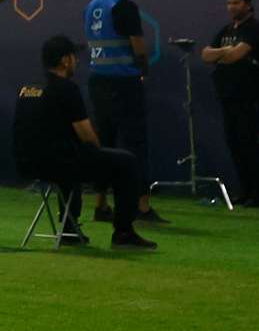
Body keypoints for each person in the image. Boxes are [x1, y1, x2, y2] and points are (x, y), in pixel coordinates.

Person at [11, 35, 158, 250]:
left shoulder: (28, 88)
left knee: (69, 158)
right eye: (73, 57)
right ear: (65, 60)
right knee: (126, 163)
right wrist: (98, 155)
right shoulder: (66, 89)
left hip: (26, 164)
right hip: (58, 164)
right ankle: (124, 232)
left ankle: (69, 228)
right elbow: (87, 136)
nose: (76, 61)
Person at [81, 0, 166, 225]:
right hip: (124, 84)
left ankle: (100, 205)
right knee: (135, 146)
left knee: (104, 145)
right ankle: (141, 206)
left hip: (98, 83)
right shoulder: (125, 7)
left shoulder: (93, 5)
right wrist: (143, 72)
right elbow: (139, 49)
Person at [201, 0, 259, 207]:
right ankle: (245, 190)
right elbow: (205, 54)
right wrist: (225, 52)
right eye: (229, 3)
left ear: (248, 4)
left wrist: (221, 55)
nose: (232, 7)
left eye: (237, 3)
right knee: (234, 144)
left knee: (248, 143)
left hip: (249, 95)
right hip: (228, 94)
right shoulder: (226, 30)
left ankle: (258, 194)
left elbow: (236, 55)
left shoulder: (255, 28)